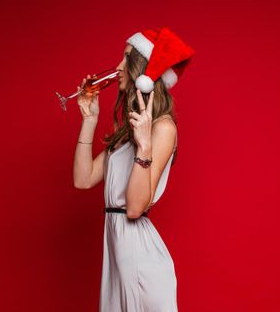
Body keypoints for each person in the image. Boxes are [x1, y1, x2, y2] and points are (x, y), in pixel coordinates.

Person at [73, 26, 195, 311]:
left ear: (144, 73)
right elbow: (83, 179)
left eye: (126, 58)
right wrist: (89, 120)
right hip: (117, 252)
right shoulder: (129, 130)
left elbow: (134, 207)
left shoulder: (162, 128)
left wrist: (145, 147)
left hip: (138, 257)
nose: (118, 67)